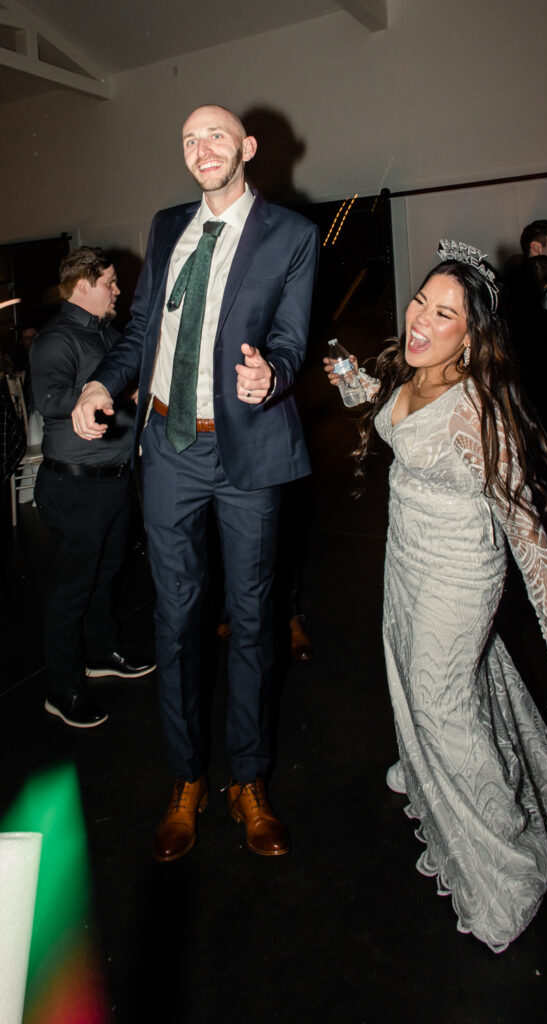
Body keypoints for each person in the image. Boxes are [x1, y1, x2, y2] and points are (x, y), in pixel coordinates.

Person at [324, 239, 547, 952]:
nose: (419, 318)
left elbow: (523, 522)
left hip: (458, 571)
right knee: (417, 679)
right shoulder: (412, 369)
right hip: (405, 558)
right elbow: (386, 412)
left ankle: (506, 857)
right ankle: (424, 767)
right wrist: (351, 380)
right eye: (421, 299)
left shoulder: (478, 410)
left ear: (471, 336)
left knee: (441, 705)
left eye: (442, 314)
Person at [71, 105, 318, 861]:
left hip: (245, 452)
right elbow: (142, 330)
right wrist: (101, 385)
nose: (200, 148)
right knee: (174, 622)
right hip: (170, 445)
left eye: (215, 135)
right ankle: (186, 780)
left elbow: (292, 339)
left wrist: (269, 374)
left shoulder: (292, 235)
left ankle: (248, 780)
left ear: (245, 148)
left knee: (251, 619)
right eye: (187, 139)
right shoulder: (166, 224)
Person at [30, 247, 155, 729]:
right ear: (82, 284)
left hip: (113, 481)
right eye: (110, 282)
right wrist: (114, 392)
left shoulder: (108, 332)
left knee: (106, 575)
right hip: (74, 486)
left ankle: (101, 653)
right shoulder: (56, 339)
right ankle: (62, 689)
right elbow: (50, 398)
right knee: (71, 590)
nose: (118, 291)